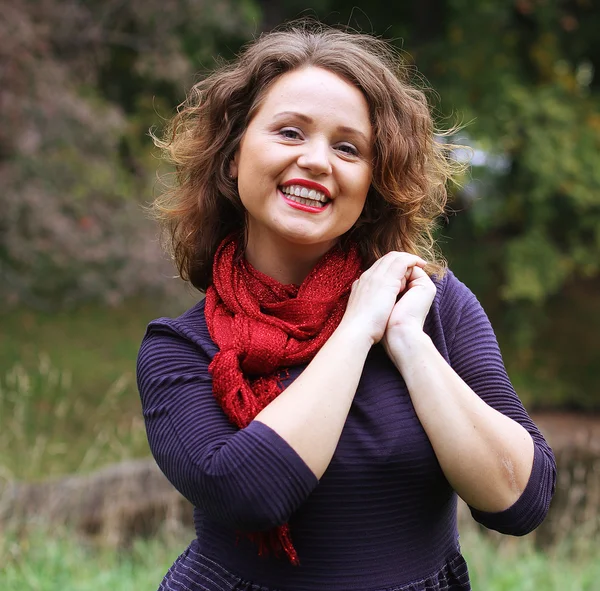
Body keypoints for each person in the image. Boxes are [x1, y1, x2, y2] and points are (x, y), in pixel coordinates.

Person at [137, 21, 556, 591]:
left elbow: (521, 501)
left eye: (347, 147)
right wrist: (356, 328)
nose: (317, 161)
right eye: (289, 132)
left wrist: (410, 345)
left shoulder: (433, 305)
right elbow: (252, 493)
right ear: (233, 158)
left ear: (373, 181)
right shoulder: (181, 348)